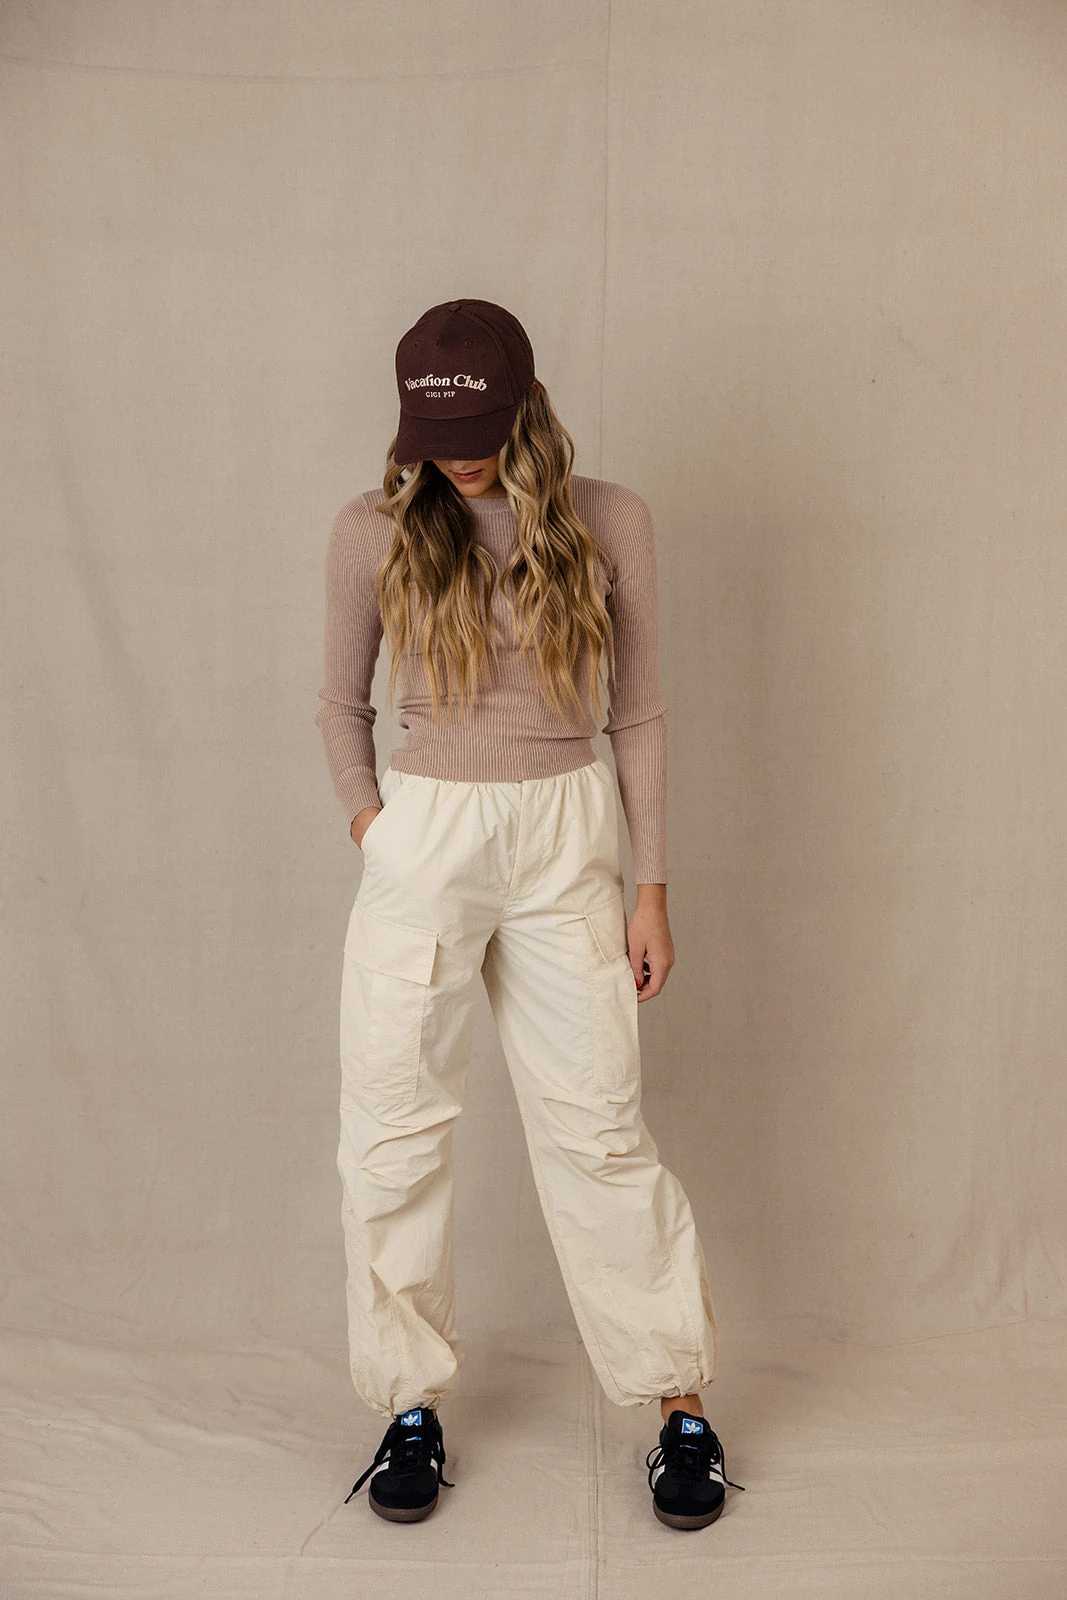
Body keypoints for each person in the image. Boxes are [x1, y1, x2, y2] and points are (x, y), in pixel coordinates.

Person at [315, 298, 743, 1531]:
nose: (460, 458)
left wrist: (649, 886)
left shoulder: (610, 519)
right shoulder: (370, 528)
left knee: (597, 1127)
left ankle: (677, 1405)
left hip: (567, 835)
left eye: (483, 431)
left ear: (526, 407)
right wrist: (377, 827)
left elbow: (637, 710)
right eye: (437, 435)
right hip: (425, 840)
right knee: (391, 1130)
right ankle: (408, 1405)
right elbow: (338, 704)